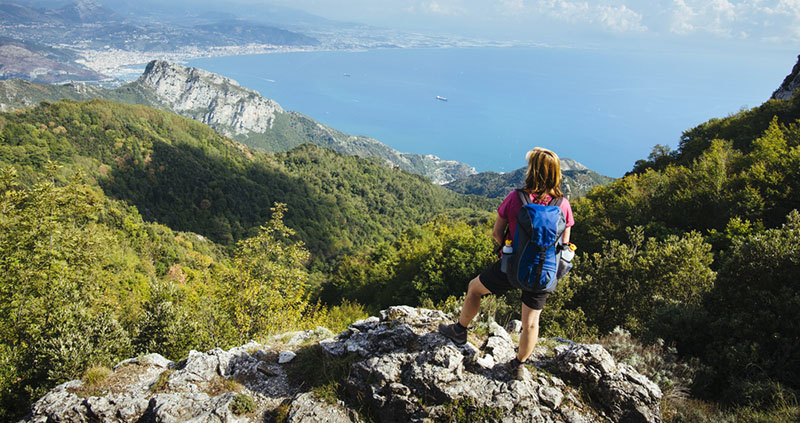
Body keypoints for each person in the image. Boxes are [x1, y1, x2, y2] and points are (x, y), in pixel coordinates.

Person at [438, 147, 575, 380]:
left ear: (533, 171)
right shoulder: (562, 205)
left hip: (511, 268)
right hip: (542, 274)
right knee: (531, 323)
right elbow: (564, 244)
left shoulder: (516, 198)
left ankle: (460, 331)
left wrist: (510, 252)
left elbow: (496, 233)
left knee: (474, 288)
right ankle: (519, 365)